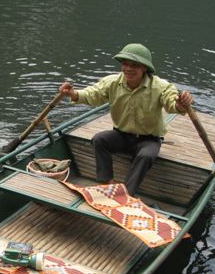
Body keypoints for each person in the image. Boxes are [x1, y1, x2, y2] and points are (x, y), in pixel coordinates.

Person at [58, 43, 193, 196]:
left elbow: (172, 104)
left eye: (134, 65)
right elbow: (91, 94)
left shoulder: (160, 86)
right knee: (99, 139)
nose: (128, 69)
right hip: (121, 135)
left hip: (149, 139)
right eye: (125, 64)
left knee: (146, 155)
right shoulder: (112, 82)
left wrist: (181, 103)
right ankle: (107, 181)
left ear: (144, 68)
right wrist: (73, 94)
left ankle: (127, 193)